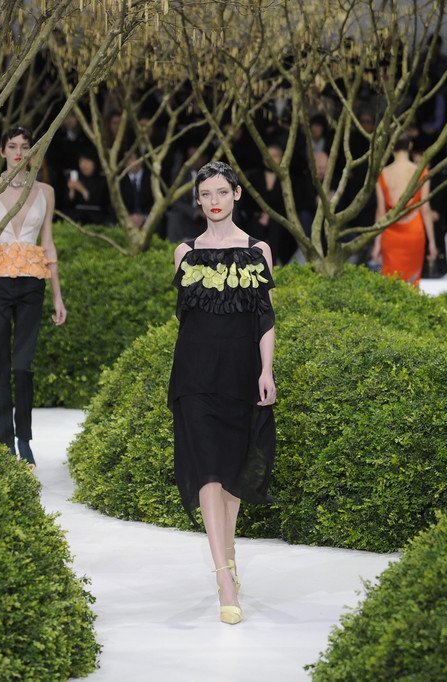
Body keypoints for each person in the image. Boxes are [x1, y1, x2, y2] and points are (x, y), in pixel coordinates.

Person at [168, 161, 277, 626]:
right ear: (197, 200)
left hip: (241, 372)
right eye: (205, 194)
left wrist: (267, 370)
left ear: (236, 194)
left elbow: (265, 317)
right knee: (209, 471)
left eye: (221, 192)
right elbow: (185, 320)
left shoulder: (258, 250)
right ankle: (224, 579)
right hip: (195, 373)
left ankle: (228, 556)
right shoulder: (185, 253)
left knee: (231, 470)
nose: (213, 201)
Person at [0, 126, 67, 469]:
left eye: (25, 146)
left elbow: (48, 242)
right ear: (3, 152)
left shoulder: (46, 191)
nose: (19, 152)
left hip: (32, 283)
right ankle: (5, 442)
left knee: (22, 365)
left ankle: (24, 439)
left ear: (32, 152)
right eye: (13, 146)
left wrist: (57, 295)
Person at [372, 136, 437, 285]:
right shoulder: (421, 172)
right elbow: (425, 208)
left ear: (391, 147)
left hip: (390, 231)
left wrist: (377, 243)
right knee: (412, 282)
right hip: (414, 231)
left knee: (390, 282)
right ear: (410, 146)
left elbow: (380, 211)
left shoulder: (382, 174)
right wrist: (432, 242)